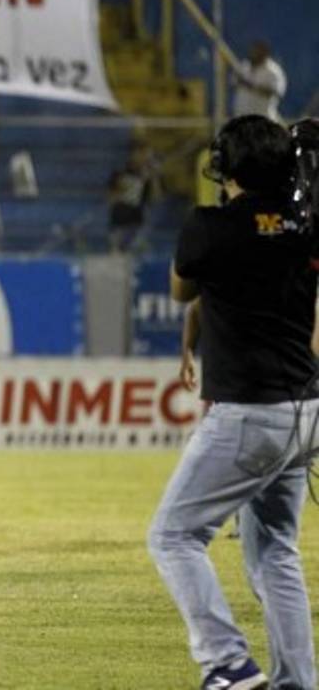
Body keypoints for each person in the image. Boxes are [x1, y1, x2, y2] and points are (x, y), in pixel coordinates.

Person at [149, 114, 318, 690]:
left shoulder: (209, 227)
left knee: (173, 536)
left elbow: (182, 289)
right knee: (275, 549)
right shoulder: (307, 224)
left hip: (248, 412)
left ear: (228, 167)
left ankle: (227, 663)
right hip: (305, 410)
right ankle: (297, 680)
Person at [108, 149, 152, 254]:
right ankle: (117, 250)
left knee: (135, 240)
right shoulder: (119, 175)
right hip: (120, 210)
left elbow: (152, 197)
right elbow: (111, 193)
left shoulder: (146, 178)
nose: (139, 159)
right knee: (118, 242)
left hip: (136, 213)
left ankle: (133, 250)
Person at [232, 41, 286, 123]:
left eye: (257, 52)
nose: (253, 54)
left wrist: (253, 86)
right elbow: (234, 83)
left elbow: (275, 92)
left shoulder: (273, 71)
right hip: (242, 118)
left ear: (265, 54)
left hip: (263, 119)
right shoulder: (244, 66)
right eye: (253, 52)